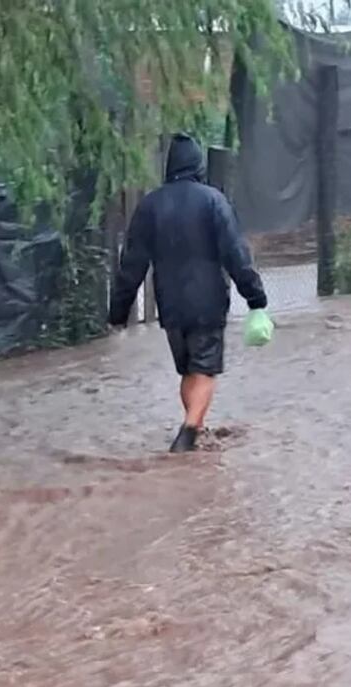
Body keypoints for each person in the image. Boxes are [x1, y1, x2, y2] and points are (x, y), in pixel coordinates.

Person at [108, 132, 268, 453]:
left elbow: (132, 263)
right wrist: (256, 298)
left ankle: (197, 431)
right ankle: (189, 432)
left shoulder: (150, 206)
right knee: (205, 369)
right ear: (198, 165)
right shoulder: (213, 201)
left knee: (188, 370)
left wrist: (118, 311)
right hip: (208, 304)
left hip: (171, 308)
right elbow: (236, 253)